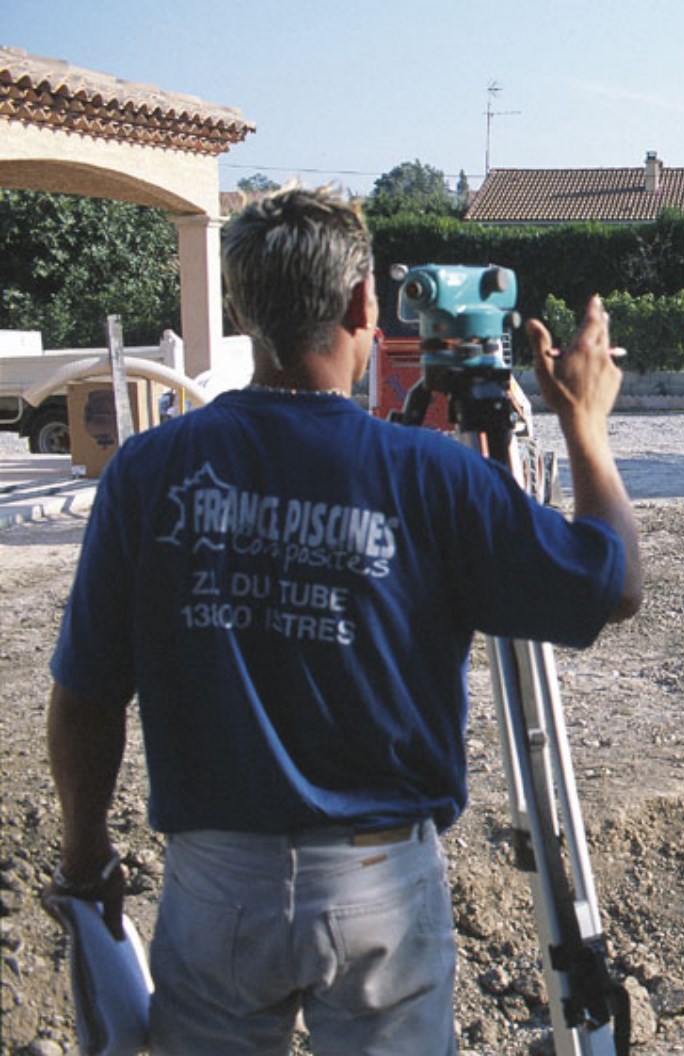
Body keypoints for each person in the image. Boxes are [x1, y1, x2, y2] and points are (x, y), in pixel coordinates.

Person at [44, 187, 641, 1055]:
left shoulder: (146, 473)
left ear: (244, 308)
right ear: (364, 305)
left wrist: (85, 855)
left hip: (214, 889)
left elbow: (87, 692)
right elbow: (611, 583)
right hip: (379, 892)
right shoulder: (434, 476)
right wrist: (584, 424)